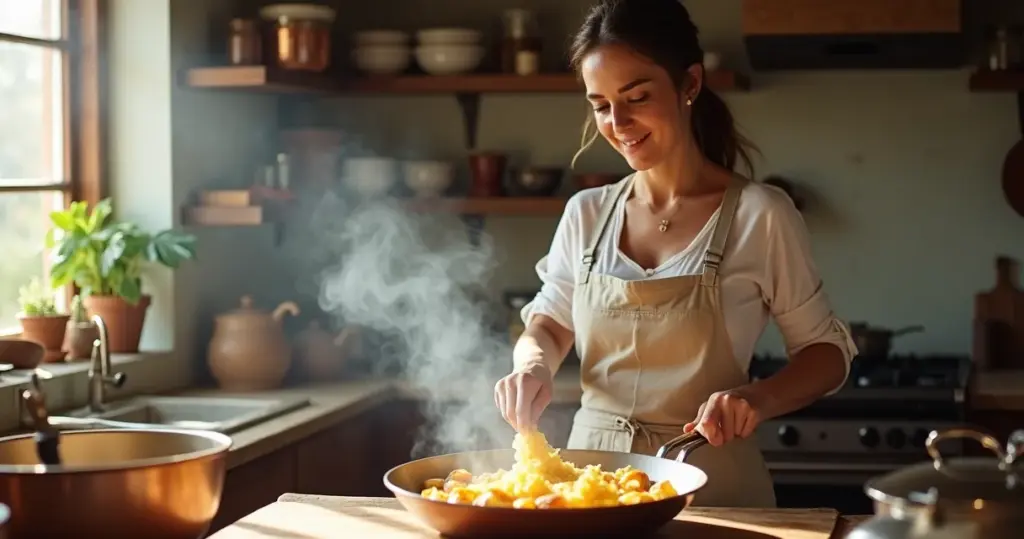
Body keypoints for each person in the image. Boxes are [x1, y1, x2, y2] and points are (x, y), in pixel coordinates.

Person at [493, 0, 857, 508]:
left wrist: (756, 398)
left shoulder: (761, 214)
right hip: (590, 484)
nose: (617, 122)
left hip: (714, 485)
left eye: (636, 96)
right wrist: (532, 366)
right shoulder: (586, 213)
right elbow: (550, 324)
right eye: (600, 105)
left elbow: (827, 354)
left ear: (689, 83)